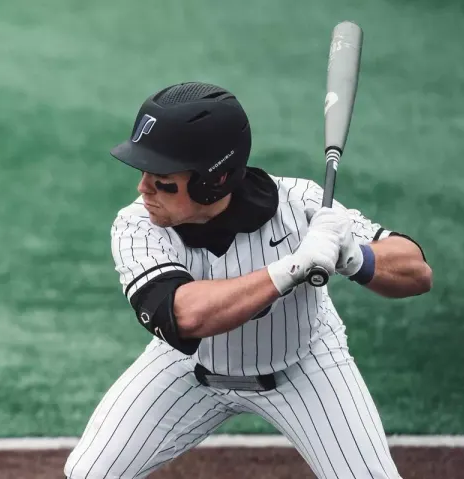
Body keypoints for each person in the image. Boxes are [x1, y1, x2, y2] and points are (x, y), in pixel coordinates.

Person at [62, 81, 433, 478]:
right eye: (143, 173)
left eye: (163, 180)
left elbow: (417, 272)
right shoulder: (136, 225)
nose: (143, 189)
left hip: (306, 366)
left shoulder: (299, 204)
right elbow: (186, 315)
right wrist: (294, 267)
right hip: (186, 369)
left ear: (214, 180)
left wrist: (354, 256)